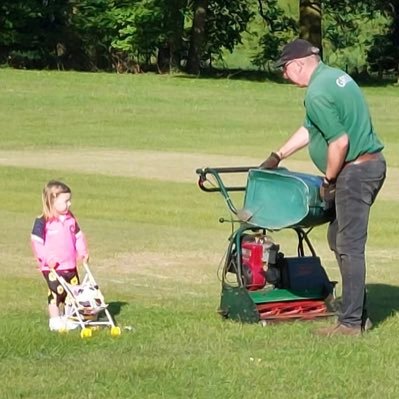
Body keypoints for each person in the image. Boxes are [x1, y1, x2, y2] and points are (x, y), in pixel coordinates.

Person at [260, 39, 386, 337]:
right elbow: (310, 128)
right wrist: (278, 156)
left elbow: (339, 142)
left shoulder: (317, 92)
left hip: (356, 172)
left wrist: (329, 181)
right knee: (337, 237)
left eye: (285, 68)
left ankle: (351, 323)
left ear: (300, 63)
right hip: (368, 166)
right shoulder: (334, 77)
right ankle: (356, 312)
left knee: (349, 245)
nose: (284, 74)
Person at [31, 180, 89, 331]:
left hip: (70, 264)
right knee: (56, 292)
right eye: (66, 201)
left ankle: (69, 317)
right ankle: (55, 319)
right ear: (52, 200)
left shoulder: (70, 219)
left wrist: (82, 252)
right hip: (52, 267)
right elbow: (37, 242)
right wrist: (46, 259)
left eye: (70, 200)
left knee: (73, 291)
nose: (69, 204)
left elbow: (78, 236)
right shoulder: (42, 221)